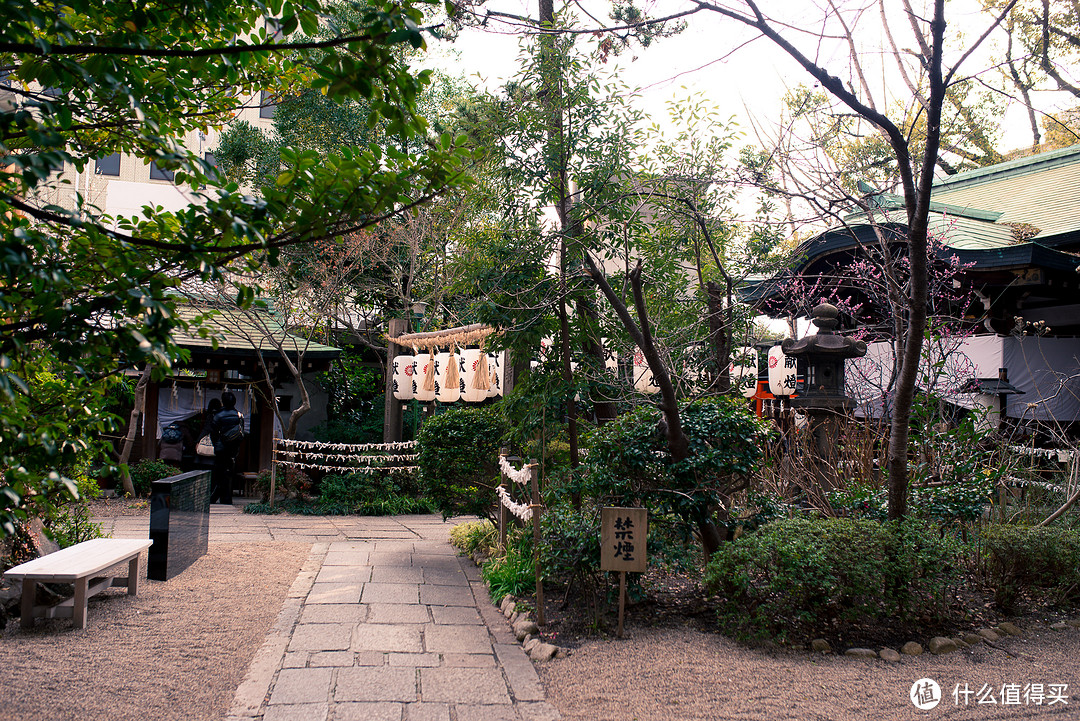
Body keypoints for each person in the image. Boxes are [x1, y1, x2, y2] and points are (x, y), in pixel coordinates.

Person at [206, 392, 244, 504]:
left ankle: (213, 497)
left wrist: (216, 444)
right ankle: (226, 498)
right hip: (233, 449)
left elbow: (213, 433)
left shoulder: (218, 416)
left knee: (218, 473)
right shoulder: (238, 415)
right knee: (228, 473)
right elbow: (241, 433)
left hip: (220, 448)